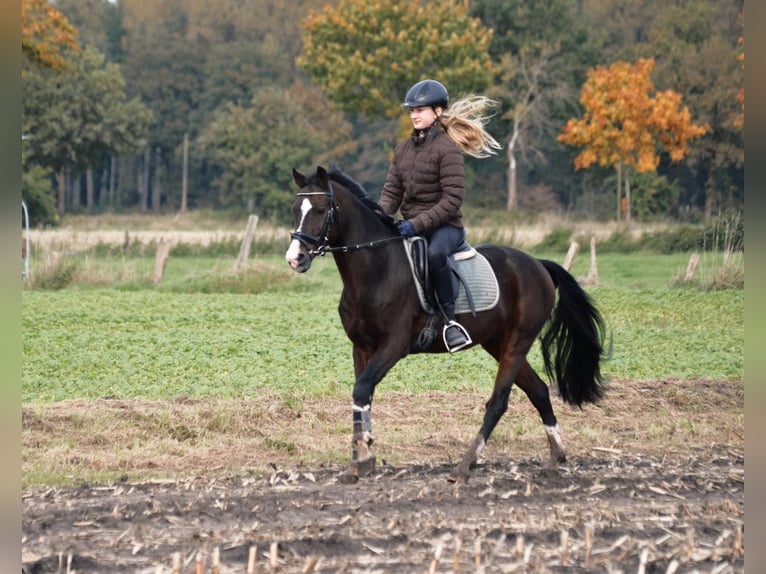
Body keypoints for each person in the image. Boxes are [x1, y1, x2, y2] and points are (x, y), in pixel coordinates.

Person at [378, 79, 501, 353]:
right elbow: (390, 193)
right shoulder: (402, 150)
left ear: (437, 112)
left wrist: (416, 223)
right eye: (412, 110)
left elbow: (452, 200)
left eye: (420, 109)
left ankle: (450, 321)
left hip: (446, 228)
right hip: (412, 226)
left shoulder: (448, 150)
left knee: (434, 256)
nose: (414, 114)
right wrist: (378, 217)